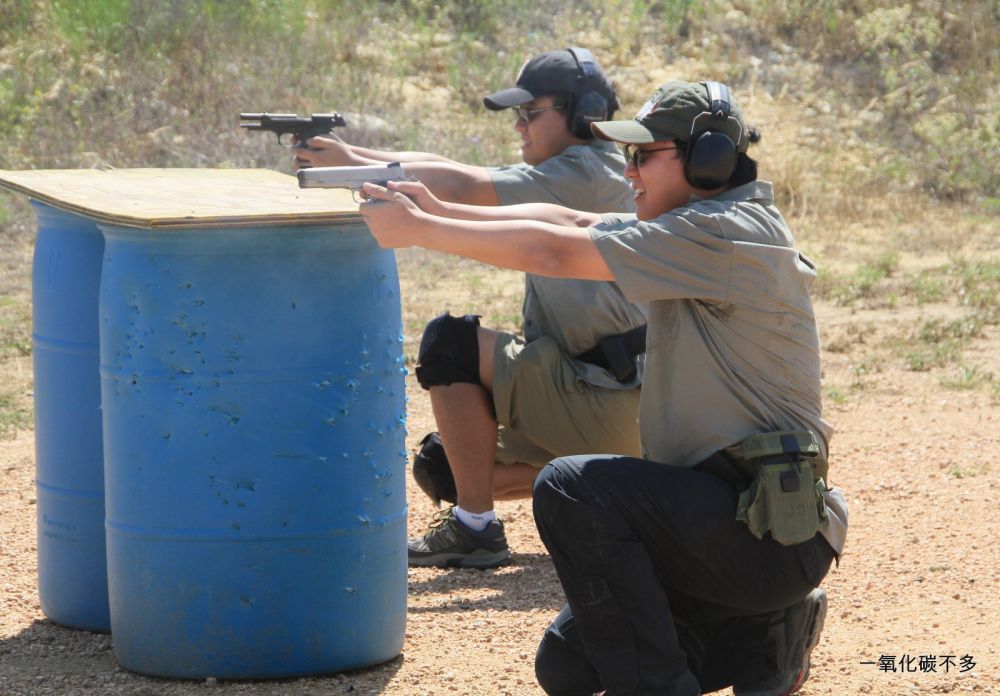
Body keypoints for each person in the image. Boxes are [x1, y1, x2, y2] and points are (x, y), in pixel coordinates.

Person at [358, 79, 849, 695]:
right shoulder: (696, 224)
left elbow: (555, 251)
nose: (629, 170)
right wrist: (434, 210)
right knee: (568, 665)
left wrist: (420, 230)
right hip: (721, 521)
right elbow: (571, 219)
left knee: (573, 487)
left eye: (644, 155)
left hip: (764, 532)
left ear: (709, 159)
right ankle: (764, 638)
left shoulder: (727, 232)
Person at [299, 48, 646, 569]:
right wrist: (353, 157)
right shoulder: (582, 168)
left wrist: (352, 167)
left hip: (604, 394)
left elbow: (461, 184)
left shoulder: (584, 174)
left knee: (450, 344)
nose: (520, 125)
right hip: (613, 400)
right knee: (446, 464)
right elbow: (448, 170)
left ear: (583, 115)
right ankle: (619, 484)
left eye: (531, 112)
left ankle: (475, 530)